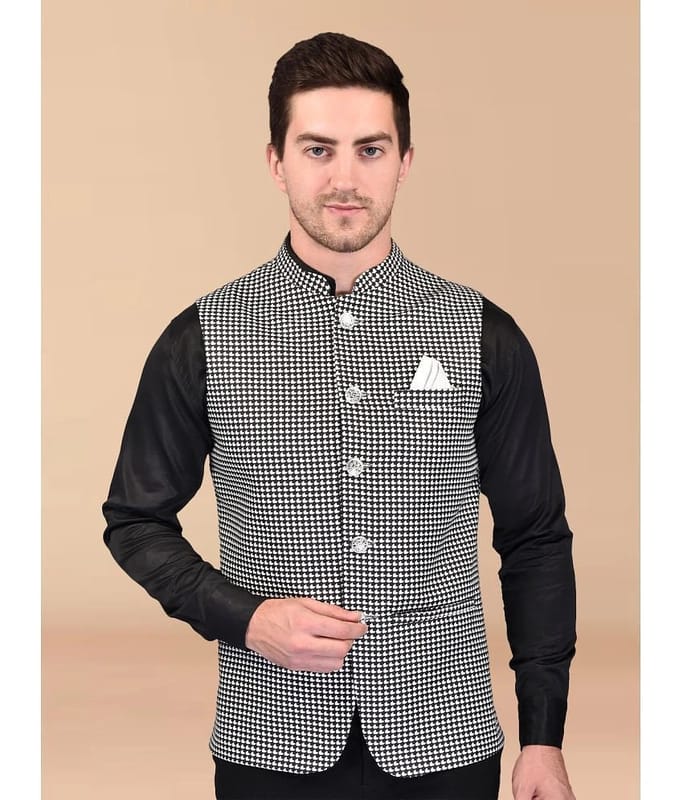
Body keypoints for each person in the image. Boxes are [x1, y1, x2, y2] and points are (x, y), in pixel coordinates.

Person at [102, 32, 577, 800]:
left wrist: (542, 738)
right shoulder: (202, 338)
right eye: (318, 150)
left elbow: (535, 537)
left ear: (405, 162)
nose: (345, 179)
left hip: (445, 737)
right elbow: (134, 521)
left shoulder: (482, 335)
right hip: (268, 738)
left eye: (370, 150)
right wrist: (243, 617)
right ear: (276, 162)